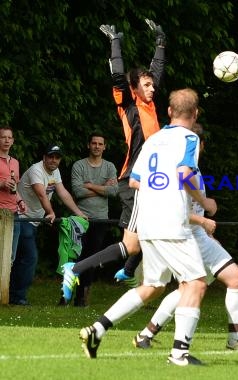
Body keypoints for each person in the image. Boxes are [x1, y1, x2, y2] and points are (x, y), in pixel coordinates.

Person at [79, 88, 217, 366]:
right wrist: (204, 201)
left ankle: (98, 328)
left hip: (147, 221)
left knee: (153, 285)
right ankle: (179, 353)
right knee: (196, 283)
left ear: (168, 112)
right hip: (171, 221)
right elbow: (185, 173)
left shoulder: (153, 140)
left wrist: (160, 189)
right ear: (195, 113)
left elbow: (133, 181)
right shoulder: (190, 137)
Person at [62, 19, 166, 301]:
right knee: (133, 243)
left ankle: (127, 270)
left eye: (152, 85)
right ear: (135, 88)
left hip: (150, 183)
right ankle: (87, 268)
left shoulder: (151, 105)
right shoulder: (128, 105)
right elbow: (119, 76)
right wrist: (115, 42)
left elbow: (156, 70)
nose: (152, 88)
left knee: (150, 236)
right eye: (146, 85)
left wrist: (160, 43)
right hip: (133, 182)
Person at [132, 122, 238, 352]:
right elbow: (174, 211)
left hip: (197, 236)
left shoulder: (191, 170)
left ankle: (145, 334)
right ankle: (233, 342)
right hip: (188, 237)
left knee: (190, 289)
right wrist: (204, 220)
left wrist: (205, 229)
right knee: (235, 280)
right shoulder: (184, 172)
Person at [10, 145, 87, 306]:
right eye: (51, 156)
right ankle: (18, 297)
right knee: (30, 258)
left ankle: (14, 295)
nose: (54, 160)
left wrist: (78, 213)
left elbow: (63, 193)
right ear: (44, 157)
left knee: (21, 259)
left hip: (34, 221)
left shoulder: (55, 172)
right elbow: (41, 194)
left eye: (57, 157)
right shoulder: (35, 170)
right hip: (22, 218)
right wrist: (51, 212)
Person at [70, 132, 118, 306]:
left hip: (100, 220)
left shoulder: (110, 167)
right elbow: (77, 192)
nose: (97, 146)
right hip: (81, 218)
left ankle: (82, 296)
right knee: (76, 256)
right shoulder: (79, 166)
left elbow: (114, 191)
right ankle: (67, 293)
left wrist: (89, 185)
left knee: (92, 258)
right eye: (94, 143)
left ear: (104, 147)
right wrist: (102, 188)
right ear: (88, 145)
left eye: (100, 144)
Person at [0, 125, 26, 265]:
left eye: (9, 137)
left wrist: (20, 201)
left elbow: (15, 187)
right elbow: (5, 184)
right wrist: (2, 184)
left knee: (11, 257)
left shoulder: (15, 162)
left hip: (14, 213)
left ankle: (4, 287)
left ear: (13, 141)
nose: (6, 140)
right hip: (0, 212)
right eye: (3, 137)